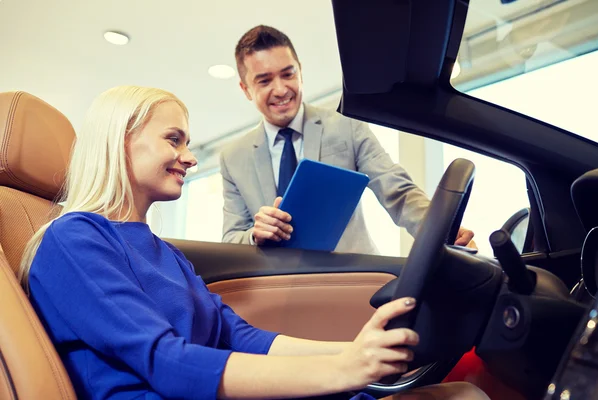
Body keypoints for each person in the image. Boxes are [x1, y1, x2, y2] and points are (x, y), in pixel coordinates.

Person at [18, 86, 488, 400]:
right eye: (174, 139)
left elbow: (240, 338)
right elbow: (164, 362)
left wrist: (351, 353)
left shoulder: (165, 252)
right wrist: (344, 370)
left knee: (463, 393)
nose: (189, 157)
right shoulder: (73, 240)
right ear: (121, 140)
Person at [220, 25, 475, 254]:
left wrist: (441, 230)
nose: (280, 89)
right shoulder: (233, 157)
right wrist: (255, 234)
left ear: (300, 73)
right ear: (246, 89)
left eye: (288, 74)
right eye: (264, 81)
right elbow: (231, 237)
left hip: (349, 279)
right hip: (278, 288)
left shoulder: (346, 125)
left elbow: (397, 190)